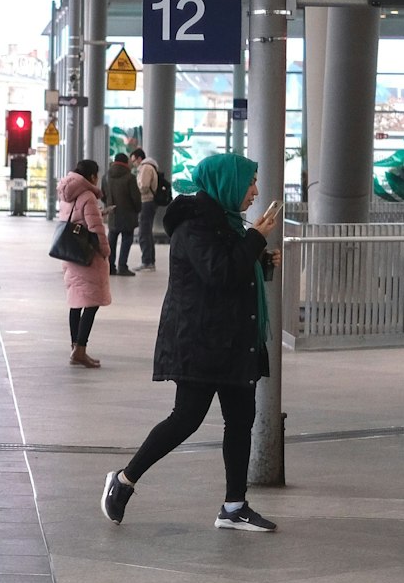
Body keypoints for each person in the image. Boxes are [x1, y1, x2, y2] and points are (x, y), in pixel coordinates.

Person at [101, 152, 283, 531]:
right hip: (201, 340)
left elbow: (233, 269)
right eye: (249, 183)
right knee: (186, 419)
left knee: (240, 421)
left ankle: (234, 507)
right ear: (227, 184)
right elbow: (220, 273)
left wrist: (261, 261)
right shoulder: (195, 225)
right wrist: (255, 239)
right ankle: (123, 481)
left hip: (233, 339)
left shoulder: (227, 222)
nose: (255, 191)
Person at [57, 159, 110, 368]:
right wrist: (105, 251)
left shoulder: (66, 195)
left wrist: (99, 213)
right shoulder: (88, 196)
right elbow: (96, 230)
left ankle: (75, 347)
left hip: (70, 253)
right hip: (87, 256)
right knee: (91, 302)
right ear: (92, 176)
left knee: (76, 301)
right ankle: (80, 349)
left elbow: (75, 219)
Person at [102, 152, 142, 275]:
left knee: (112, 240)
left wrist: (109, 205)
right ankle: (122, 267)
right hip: (128, 214)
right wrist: (137, 209)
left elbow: (103, 195)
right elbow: (136, 198)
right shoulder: (130, 177)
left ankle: (110, 267)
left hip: (113, 213)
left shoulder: (106, 177)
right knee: (127, 240)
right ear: (126, 163)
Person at [132, 146, 165, 271]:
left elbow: (144, 186)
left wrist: (135, 190)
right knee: (147, 232)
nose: (134, 164)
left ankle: (147, 262)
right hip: (150, 202)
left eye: (134, 161)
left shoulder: (145, 167)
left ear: (139, 158)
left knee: (143, 233)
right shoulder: (150, 167)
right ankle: (150, 261)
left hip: (146, 201)